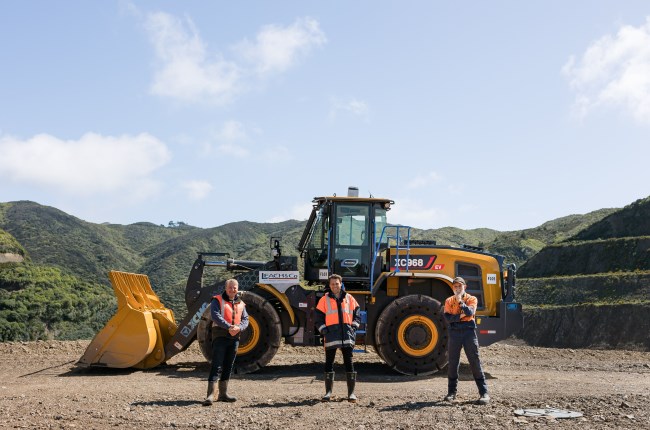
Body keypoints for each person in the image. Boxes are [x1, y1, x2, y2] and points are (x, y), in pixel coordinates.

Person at [443, 276, 490, 405]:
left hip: (469, 332)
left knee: (474, 361)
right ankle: (451, 393)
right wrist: (461, 316)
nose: (457, 289)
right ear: (453, 288)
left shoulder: (472, 299)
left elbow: (470, 312)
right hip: (454, 333)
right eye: (455, 286)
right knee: (453, 363)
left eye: (460, 286)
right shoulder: (448, 300)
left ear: (465, 287)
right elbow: (447, 317)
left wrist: (460, 303)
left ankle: (484, 393)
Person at [315, 274, 361, 402]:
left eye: (337, 283)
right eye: (332, 284)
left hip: (346, 335)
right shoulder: (324, 300)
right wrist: (324, 331)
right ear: (329, 285)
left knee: (349, 363)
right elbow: (318, 318)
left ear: (341, 284)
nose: (335, 286)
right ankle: (328, 392)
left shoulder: (349, 298)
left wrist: (354, 327)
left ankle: (351, 393)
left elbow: (357, 313)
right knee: (329, 362)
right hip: (331, 335)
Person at [203, 278, 249, 406]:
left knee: (229, 365)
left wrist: (239, 327)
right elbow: (215, 315)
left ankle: (223, 394)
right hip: (220, 336)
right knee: (217, 364)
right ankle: (211, 395)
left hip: (234, 337)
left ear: (237, 289)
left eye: (235, 287)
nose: (233, 290)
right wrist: (229, 326)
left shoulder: (241, 303)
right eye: (230, 287)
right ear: (226, 288)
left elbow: (246, 319)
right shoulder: (217, 300)